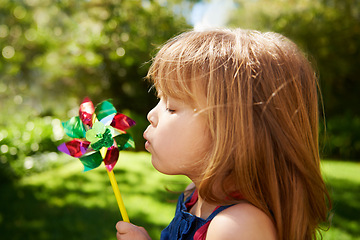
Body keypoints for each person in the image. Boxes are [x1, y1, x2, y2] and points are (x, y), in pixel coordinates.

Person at [115, 28, 331, 240]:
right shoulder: (194, 195)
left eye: (171, 107)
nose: (151, 114)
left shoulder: (239, 227)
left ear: (232, 133)